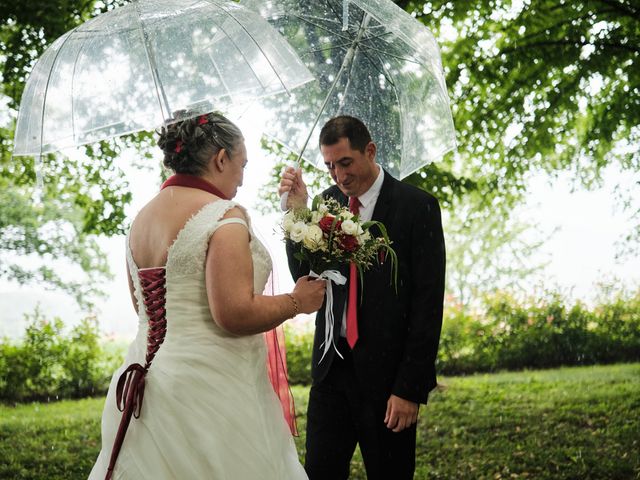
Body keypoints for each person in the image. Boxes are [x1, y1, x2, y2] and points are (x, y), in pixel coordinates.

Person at [89, 111, 325, 479]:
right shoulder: (223, 217)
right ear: (220, 159)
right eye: (242, 164)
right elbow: (233, 313)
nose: (242, 178)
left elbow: (145, 310)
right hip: (212, 388)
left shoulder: (142, 219)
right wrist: (297, 302)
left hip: (147, 381)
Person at [279, 115, 446, 479]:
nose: (338, 175)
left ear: (370, 151)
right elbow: (304, 277)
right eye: (329, 166)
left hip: (389, 381)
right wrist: (296, 213)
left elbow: (428, 304)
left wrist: (410, 389)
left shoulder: (418, 207)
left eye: (345, 162)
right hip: (331, 372)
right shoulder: (324, 205)